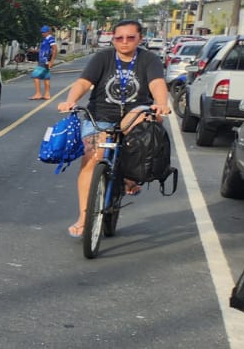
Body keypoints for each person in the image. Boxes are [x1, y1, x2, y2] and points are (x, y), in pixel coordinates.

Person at [57, 19, 170, 237]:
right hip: (100, 115)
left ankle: (130, 176)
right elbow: (83, 82)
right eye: (119, 37)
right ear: (113, 39)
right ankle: (83, 217)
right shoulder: (102, 57)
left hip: (134, 114)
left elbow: (157, 83)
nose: (124, 42)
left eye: (130, 37)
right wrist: (70, 100)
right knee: (91, 157)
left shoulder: (149, 59)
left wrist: (161, 103)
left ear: (140, 38)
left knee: (144, 124)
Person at [32, 25, 56, 100]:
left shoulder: (50, 39)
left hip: (45, 60)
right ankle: (47, 94)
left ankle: (38, 93)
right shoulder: (45, 39)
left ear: (48, 32)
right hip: (43, 59)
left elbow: (54, 49)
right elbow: (44, 50)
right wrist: (35, 51)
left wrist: (51, 61)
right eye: (42, 32)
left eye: (44, 32)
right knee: (46, 77)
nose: (42, 33)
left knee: (35, 75)